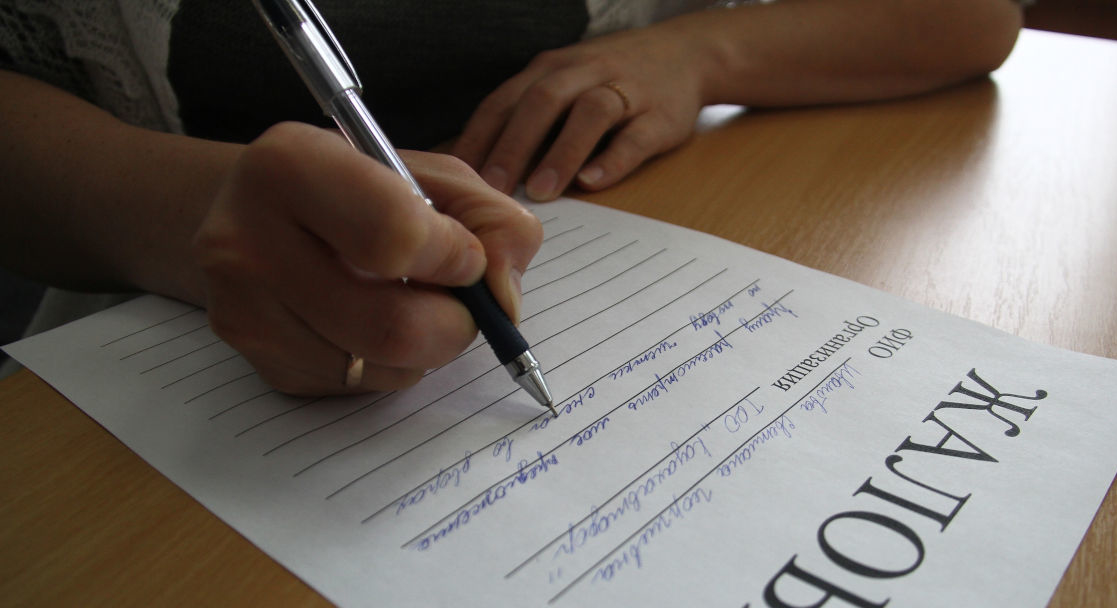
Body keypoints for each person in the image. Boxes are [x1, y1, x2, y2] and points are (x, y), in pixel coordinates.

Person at [0, 0, 1024, 393]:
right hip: (138, 354)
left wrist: (704, 52)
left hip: (644, 225)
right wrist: (199, 207)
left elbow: (973, 16)